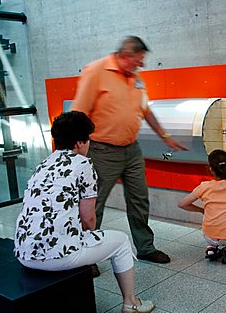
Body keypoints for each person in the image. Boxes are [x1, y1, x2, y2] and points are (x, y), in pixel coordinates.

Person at [14, 111, 155, 313]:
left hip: (24, 251)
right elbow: (89, 220)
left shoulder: (43, 164)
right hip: (56, 255)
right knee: (122, 242)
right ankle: (131, 303)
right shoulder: (83, 163)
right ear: (80, 143)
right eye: (88, 139)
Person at [72, 36, 187, 268]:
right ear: (124, 56)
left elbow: (145, 109)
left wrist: (165, 136)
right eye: (138, 60)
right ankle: (87, 255)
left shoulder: (135, 77)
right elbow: (78, 113)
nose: (141, 65)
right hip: (102, 150)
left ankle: (145, 247)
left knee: (139, 199)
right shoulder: (95, 71)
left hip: (132, 150)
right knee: (94, 204)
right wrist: (76, 153)